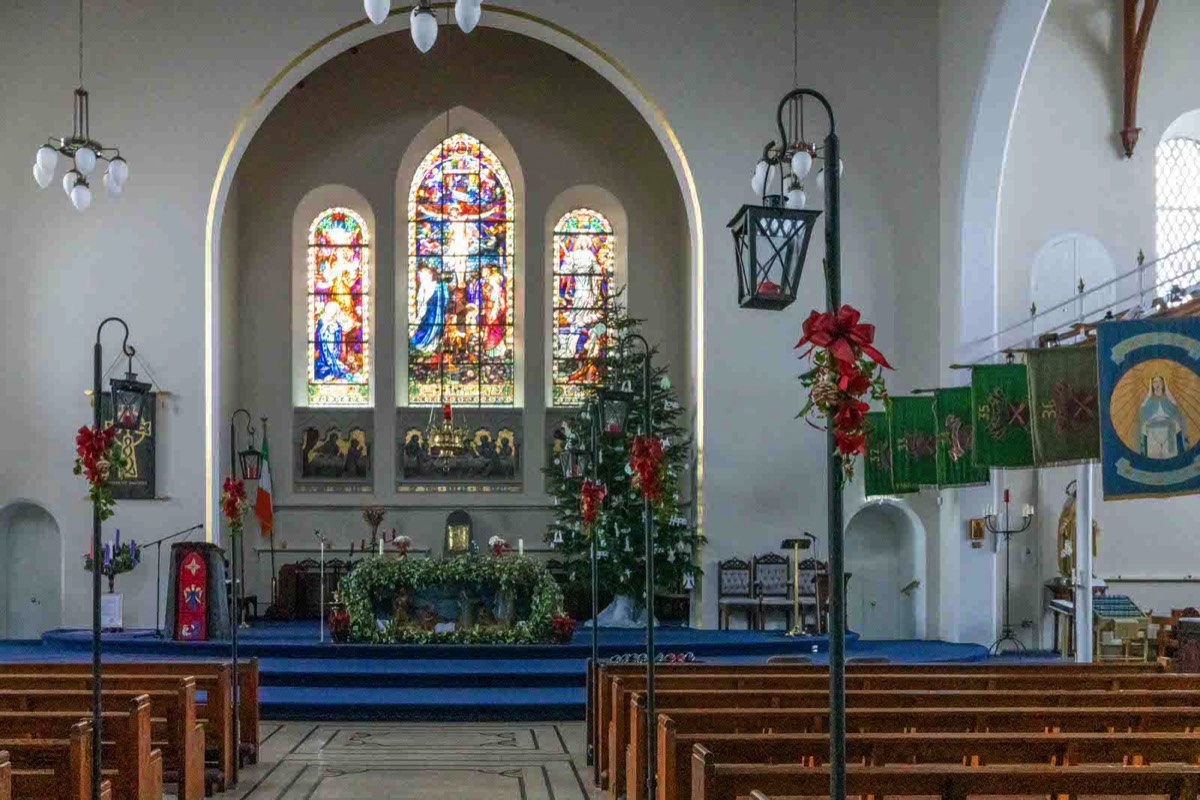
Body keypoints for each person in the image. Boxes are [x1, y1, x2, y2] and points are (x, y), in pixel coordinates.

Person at [1139, 374, 1189, 459]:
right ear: (1151, 384)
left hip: (1169, 427)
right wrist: (1149, 393)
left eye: (1159, 381)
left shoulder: (1167, 398)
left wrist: (1168, 391)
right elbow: (1142, 410)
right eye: (1154, 382)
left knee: (1171, 453)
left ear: (1163, 383)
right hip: (1153, 429)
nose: (1157, 384)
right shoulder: (1150, 399)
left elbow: (1175, 408)